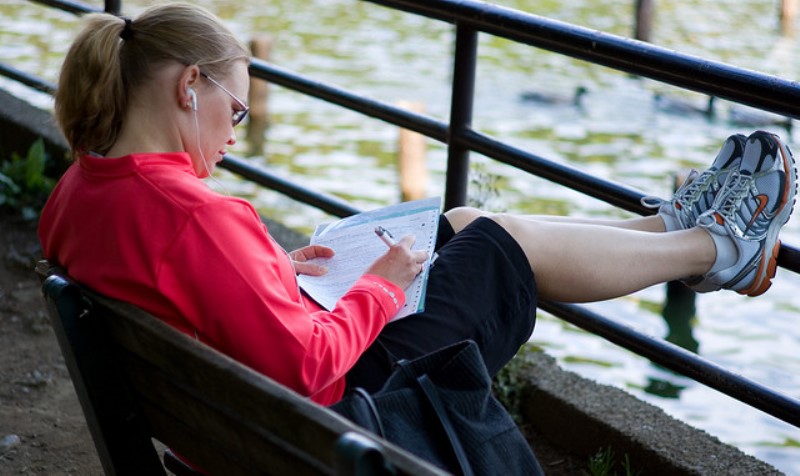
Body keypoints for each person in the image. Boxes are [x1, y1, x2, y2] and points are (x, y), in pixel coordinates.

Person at [40, 1, 796, 420]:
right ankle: (714, 248)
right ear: (188, 88)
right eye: (233, 113)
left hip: (223, 414)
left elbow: (177, 287)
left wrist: (268, 271)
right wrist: (381, 286)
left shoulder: (77, 194)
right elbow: (306, 370)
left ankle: (669, 229)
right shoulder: (196, 215)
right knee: (496, 244)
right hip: (329, 416)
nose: (233, 139)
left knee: (460, 226)